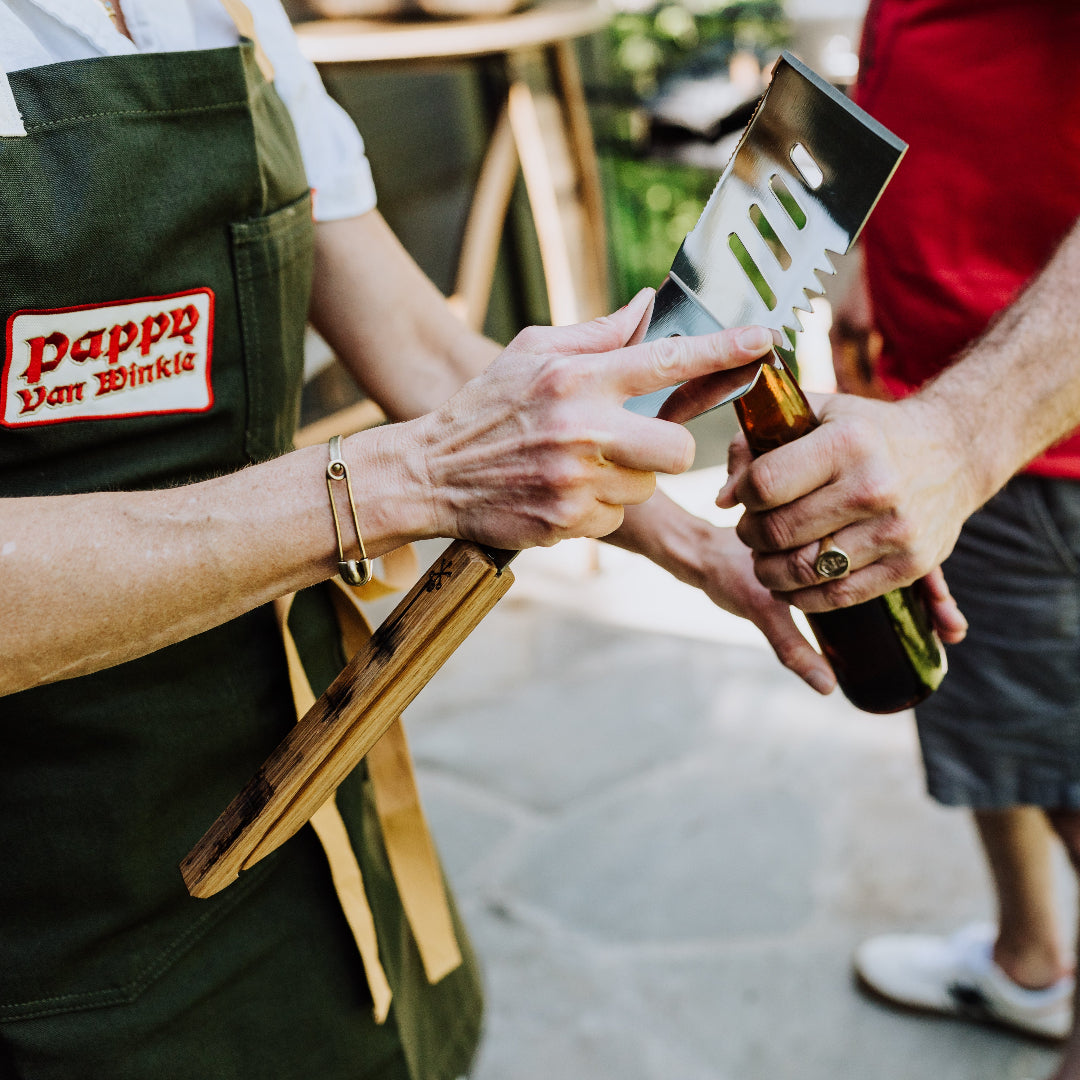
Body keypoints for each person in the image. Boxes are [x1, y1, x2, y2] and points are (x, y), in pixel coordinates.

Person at [0, 2, 851, 1076]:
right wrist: (416, 476)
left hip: (293, 780)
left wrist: (697, 548)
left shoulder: (227, 13)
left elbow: (414, 341)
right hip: (44, 900)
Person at [718, 0, 1080, 1069]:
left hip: (1037, 432)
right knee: (982, 711)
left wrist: (967, 436)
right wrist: (868, 253)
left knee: (1067, 776)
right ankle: (1026, 960)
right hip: (923, 377)